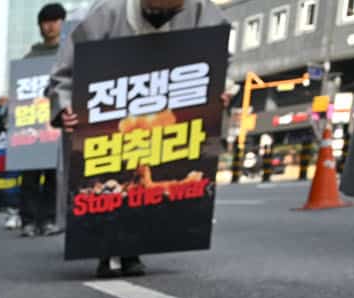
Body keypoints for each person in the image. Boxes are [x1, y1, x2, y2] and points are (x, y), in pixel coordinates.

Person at [49, 0, 230, 277]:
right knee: (113, 176)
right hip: (110, 109)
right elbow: (65, 71)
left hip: (166, 107)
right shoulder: (106, 13)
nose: (161, 17)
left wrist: (222, 86)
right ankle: (106, 249)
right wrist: (64, 107)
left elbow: (219, 56)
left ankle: (134, 248)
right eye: (155, 11)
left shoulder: (201, 11)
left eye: (171, 12)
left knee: (149, 178)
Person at [18, 3, 66, 237]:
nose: (50, 26)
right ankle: (27, 220)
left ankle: (47, 219)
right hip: (31, 124)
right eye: (46, 22)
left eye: (55, 21)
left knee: (52, 175)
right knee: (29, 175)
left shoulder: (68, 52)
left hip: (56, 121)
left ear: (62, 23)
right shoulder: (31, 56)